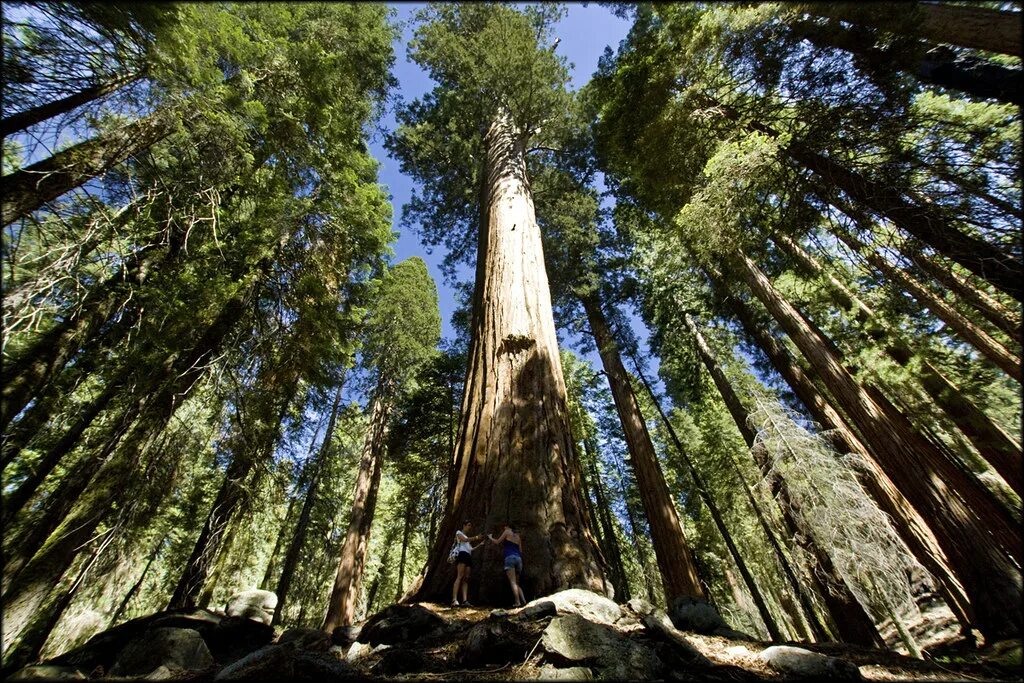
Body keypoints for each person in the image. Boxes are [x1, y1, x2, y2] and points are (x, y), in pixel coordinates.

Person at [488, 522, 526, 607]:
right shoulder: (518, 537)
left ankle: (517, 602)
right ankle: (523, 600)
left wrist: (490, 538)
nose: (504, 528)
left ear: (507, 527)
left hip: (510, 558)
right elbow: (521, 551)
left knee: (512, 582)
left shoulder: (507, 531)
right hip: (519, 559)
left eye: (504, 527)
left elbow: (497, 542)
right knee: (516, 583)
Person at [452, 520, 482, 607]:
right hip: (462, 555)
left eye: (470, 525)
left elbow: (471, 549)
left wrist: (480, 545)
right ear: (464, 525)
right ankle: (454, 600)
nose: (470, 527)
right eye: (468, 525)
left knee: (466, 578)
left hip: (468, 557)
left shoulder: (467, 539)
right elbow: (464, 539)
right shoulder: (459, 533)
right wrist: (476, 537)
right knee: (459, 576)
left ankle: (465, 601)